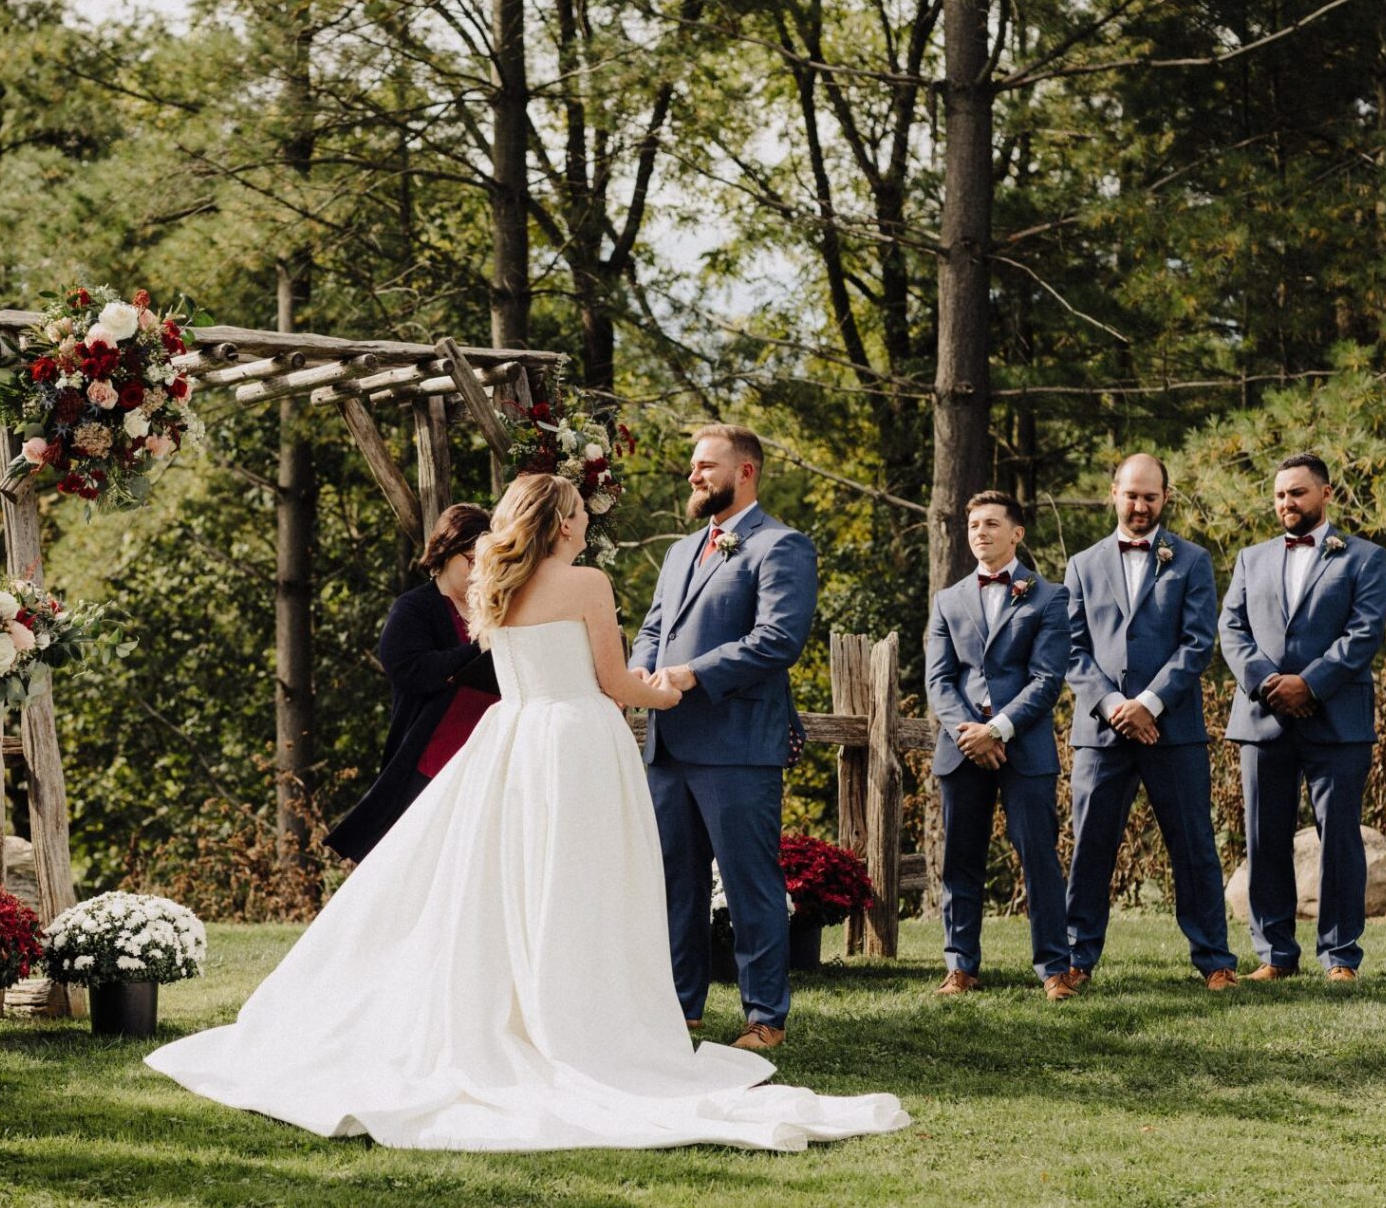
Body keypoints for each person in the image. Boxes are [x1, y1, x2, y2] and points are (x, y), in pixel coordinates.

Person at [146, 472, 907, 1152]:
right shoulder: (587, 584)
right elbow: (614, 683)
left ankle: (522, 1009)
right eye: (576, 511)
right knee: (579, 886)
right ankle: (580, 1019)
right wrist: (673, 686)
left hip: (511, 744)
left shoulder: (491, 585)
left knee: (507, 887)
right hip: (576, 742)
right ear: (560, 522)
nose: (583, 521)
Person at [629, 425, 817, 1050]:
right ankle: (681, 1011)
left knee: (748, 883)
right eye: (692, 466)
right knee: (675, 884)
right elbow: (655, 627)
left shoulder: (782, 546)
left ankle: (766, 1017)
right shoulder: (682, 552)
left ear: (746, 472)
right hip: (668, 744)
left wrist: (692, 674)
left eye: (707, 465)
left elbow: (778, 639)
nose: (694, 476)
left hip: (738, 746)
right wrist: (640, 666)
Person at [1062, 455, 1237, 991]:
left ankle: (1215, 960)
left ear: (1166, 498)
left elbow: (1197, 642)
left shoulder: (1192, 560)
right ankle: (1075, 958)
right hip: (1100, 731)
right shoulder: (1082, 565)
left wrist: (1150, 703)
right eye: (1132, 495)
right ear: (1114, 493)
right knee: (1090, 846)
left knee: (1193, 845)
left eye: (1151, 497)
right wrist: (1114, 704)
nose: (1140, 506)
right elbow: (1069, 649)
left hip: (1173, 729)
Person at [1220, 453, 1386, 981]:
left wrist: (1309, 683)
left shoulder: (1365, 557)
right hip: (1262, 715)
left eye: (1297, 493)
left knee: (1339, 838)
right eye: (1279, 495)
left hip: (1336, 717)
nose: (1286, 503)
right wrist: (1269, 683)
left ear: (1326, 494)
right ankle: (1275, 954)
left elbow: (1365, 632)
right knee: (1263, 836)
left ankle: (1340, 955)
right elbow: (1232, 627)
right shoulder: (1252, 558)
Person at [924, 490, 1073, 997]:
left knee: (1039, 857)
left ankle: (1055, 969)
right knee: (960, 859)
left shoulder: (1049, 597)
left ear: (1017, 533)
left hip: (1023, 745)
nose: (980, 533)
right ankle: (961, 965)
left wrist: (999, 729)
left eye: (991, 524)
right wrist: (970, 733)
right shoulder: (948, 599)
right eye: (973, 526)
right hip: (962, 745)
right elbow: (939, 680)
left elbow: (1047, 678)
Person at [322, 503, 500, 864]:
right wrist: (476, 650)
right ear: (446, 552)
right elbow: (410, 669)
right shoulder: (414, 608)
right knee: (422, 860)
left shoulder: (496, 607)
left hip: (490, 750)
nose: (478, 573)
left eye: (487, 564)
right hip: (432, 755)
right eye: (470, 560)